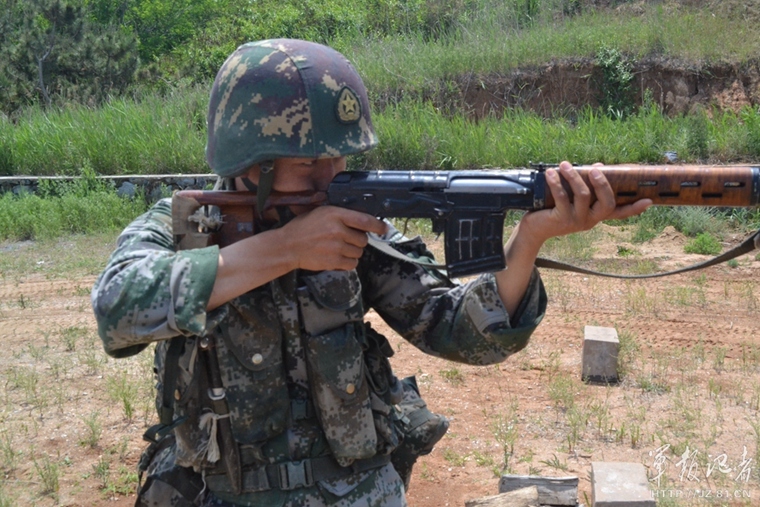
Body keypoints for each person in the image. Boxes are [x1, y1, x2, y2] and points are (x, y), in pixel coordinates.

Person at [91, 39, 650, 507]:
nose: (331, 174)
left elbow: (452, 327)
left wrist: (530, 237)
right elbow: (117, 309)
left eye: (340, 157)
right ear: (250, 164)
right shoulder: (185, 224)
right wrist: (286, 249)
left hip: (355, 493)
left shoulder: (353, 226)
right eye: (310, 161)